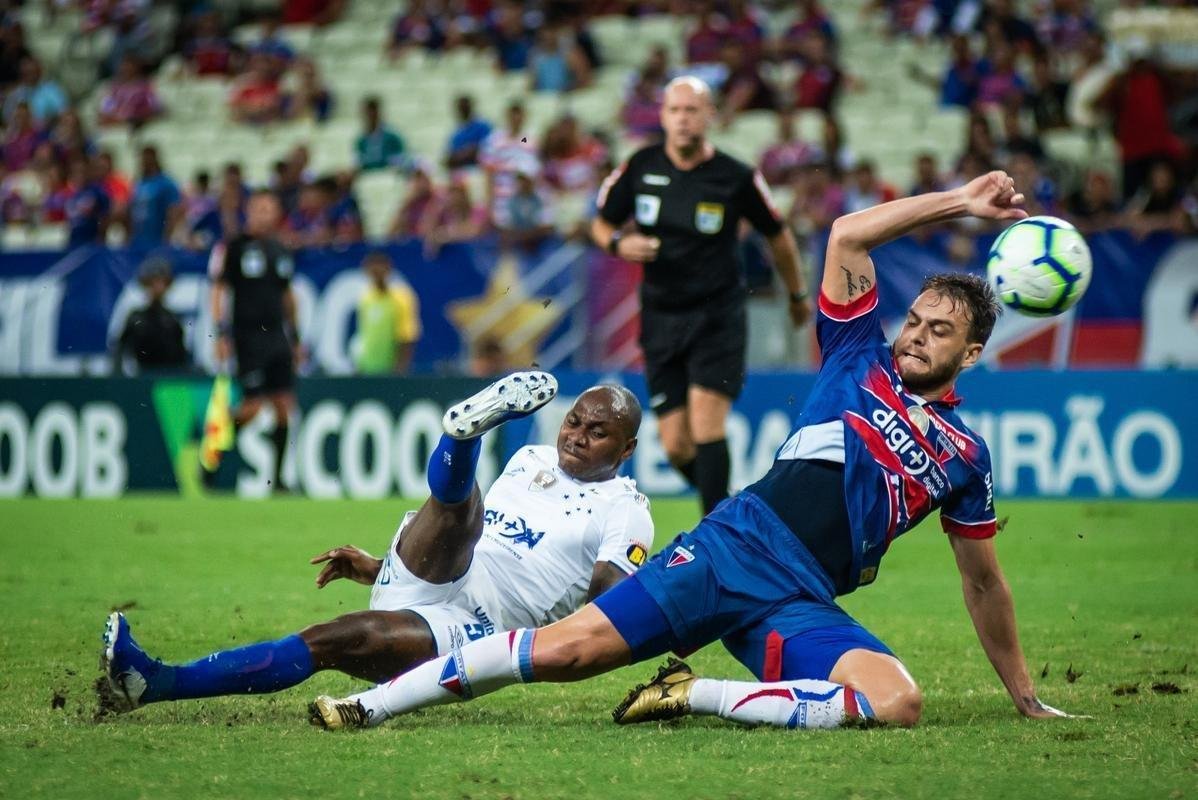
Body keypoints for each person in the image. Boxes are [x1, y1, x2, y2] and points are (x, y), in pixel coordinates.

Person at [312, 171, 1076, 733]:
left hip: (801, 598)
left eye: (939, 332)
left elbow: (984, 582)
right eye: (914, 320)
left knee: (896, 701)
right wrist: (959, 202)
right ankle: (371, 704)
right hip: (730, 551)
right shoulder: (857, 357)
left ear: (971, 354)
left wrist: (1024, 694)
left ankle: (690, 693)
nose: (915, 336)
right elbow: (848, 234)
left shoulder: (965, 456)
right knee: (566, 653)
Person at [100, 375, 654, 714]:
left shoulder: (626, 509)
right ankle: (463, 435)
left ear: (626, 448)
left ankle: (156, 682)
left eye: (597, 432)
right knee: (464, 515)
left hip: (480, 629)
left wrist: (548, 649)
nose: (576, 436)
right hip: (437, 569)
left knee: (331, 639)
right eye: (573, 422)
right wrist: (376, 567)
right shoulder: (531, 458)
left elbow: (612, 607)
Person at [591, 76, 812, 515]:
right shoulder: (640, 166)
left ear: (709, 116)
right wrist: (618, 243)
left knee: (707, 422)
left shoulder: (735, 176)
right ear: (662, 116)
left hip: (717, 316)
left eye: (692, 110)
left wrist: (797, 293)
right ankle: (735, 517)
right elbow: (601, 223)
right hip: (661, 317)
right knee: (675, 444)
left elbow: (778, 235)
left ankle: (718, 538)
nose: (683, 119)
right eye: (674, 110)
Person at [207, 191, 299, 491]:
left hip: (277, 336)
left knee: (283, 404)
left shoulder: (279, 249)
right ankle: (213, 454)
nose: (264, 214)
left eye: (269, 209)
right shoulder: (234, 247)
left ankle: (278, 479)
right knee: (252, 406)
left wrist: (295, 336)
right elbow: (218, 289)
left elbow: (287, 295)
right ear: (249, 212)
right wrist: (221, 333)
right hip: (248, 337)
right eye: (259, 208)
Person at [112, 257, 189, 374]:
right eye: (152, 283)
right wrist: (118, 374)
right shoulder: (136, 317)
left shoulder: (172, 319)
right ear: (145, 284)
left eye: (161, 282)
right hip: (140, 374)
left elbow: (181, 356)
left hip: (167, 376)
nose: (157, 287)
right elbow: (120, 348)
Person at [354, 251, 421, 375]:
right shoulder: (366, 298)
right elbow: (365, 336)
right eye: (372, 268)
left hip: (391, 369)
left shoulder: (401, 296)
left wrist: (400, 369)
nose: (376, 272)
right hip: (368, 367)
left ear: (388, 269)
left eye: (380, 267)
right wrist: (360, 366)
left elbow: (408, 335)